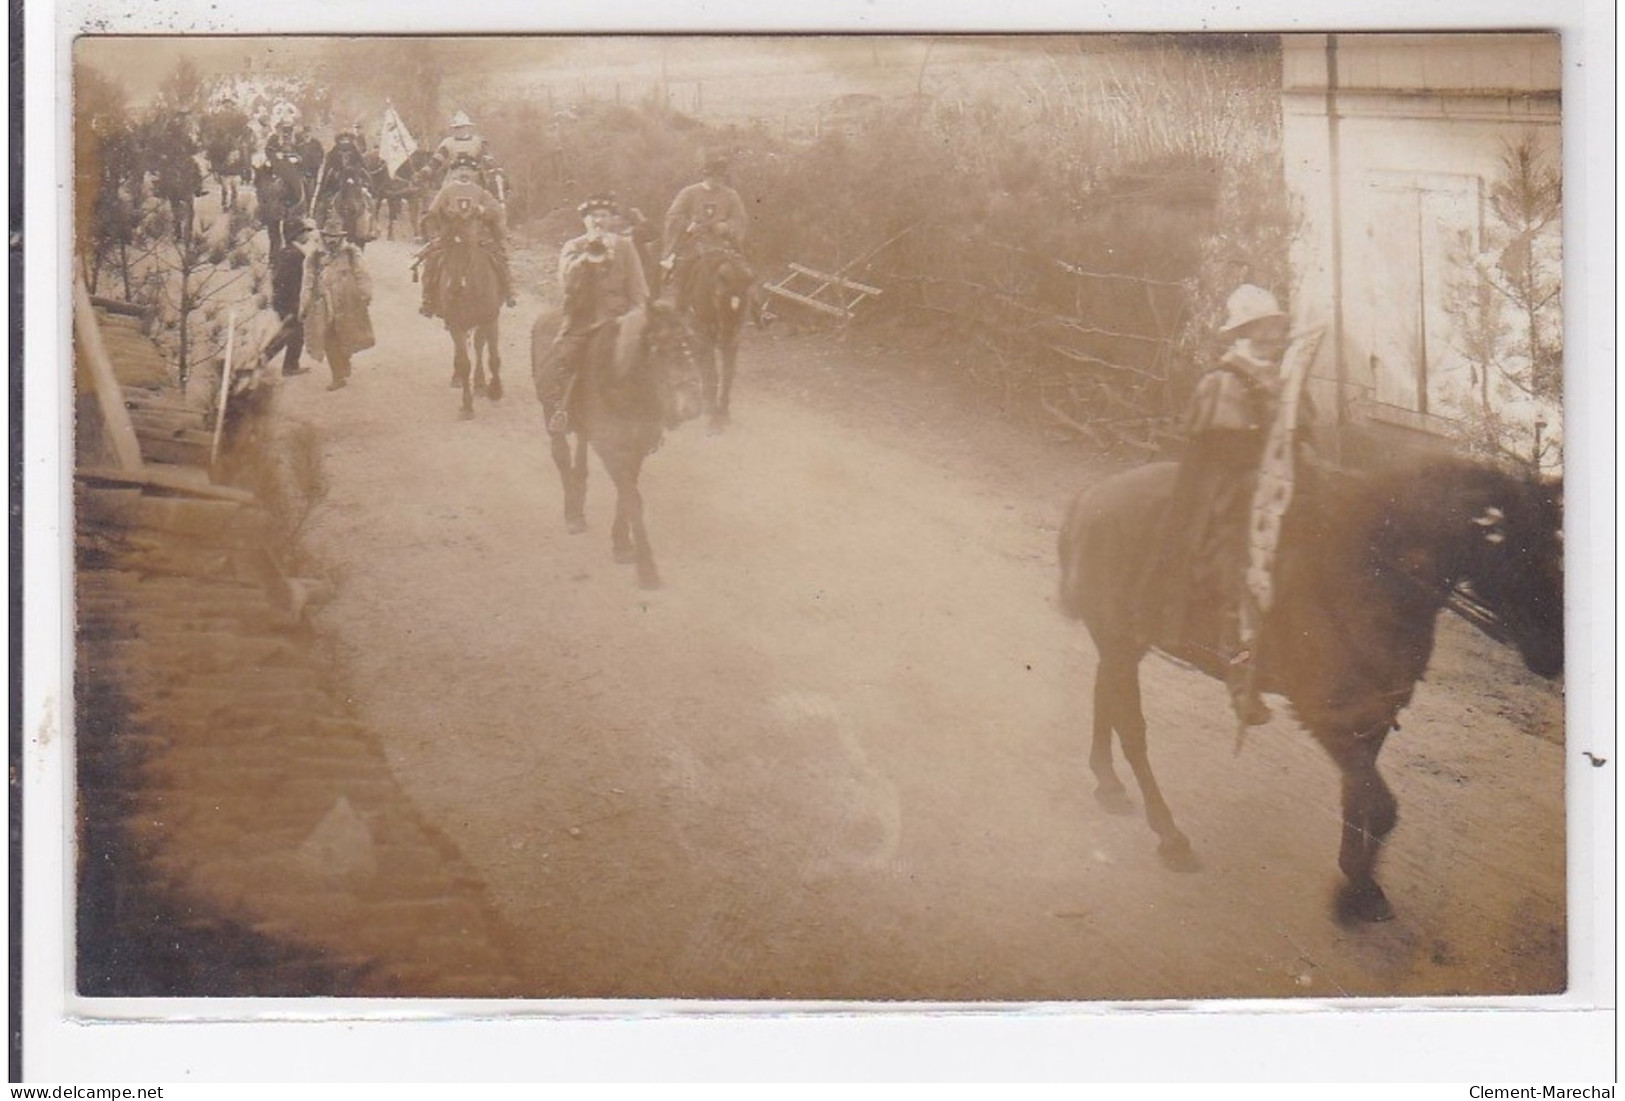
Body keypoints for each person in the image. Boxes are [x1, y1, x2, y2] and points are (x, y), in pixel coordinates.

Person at [1156, 283, 1292, 728]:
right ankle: (1241, 676)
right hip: (1231, 494)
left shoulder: (1283, 377)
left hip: (1279, 488)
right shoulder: (1223, 381)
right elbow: (1221, 452)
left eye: (1275, 330)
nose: (1272, 339)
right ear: (1243, 333)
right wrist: (1264, 476)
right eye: (1262, 331)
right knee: (1242, 570)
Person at [544, 193, 651, 434]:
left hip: (619, 316)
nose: (598, 221)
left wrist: (638, 316)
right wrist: (584, 259)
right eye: (593, 217)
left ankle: (646, 415)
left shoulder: (625, 246)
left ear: (612, 220)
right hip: (584, 316)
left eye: (603, 216)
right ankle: (563, 409)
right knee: (567, 355)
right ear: (585, 221)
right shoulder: (574, 246)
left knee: (646, 354)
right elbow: (566, 284)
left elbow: (637, 286)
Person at [417, 155, 515, 317]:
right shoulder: (446, 191)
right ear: (454, 172)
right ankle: (428, 298)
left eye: (468, 170)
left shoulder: (481, 192)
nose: (464, 173)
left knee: (499, 257)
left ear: (475, 173)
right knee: (432, 260)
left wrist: (483, 212)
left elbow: (496, 210)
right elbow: (433, 212)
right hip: (451, 237)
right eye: (460, 169)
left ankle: (509, 291)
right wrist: (439, 222)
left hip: (477, 237)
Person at [660, 151, 748, 311]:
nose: (717, 181)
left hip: (721, 244)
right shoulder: (689, 192)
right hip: (693, 244)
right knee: (683, 272)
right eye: (713, 177)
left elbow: (740, 218)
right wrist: (688, 225)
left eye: (721, 177)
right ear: (705, 175)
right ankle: (681, 307)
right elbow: (673, 215)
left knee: (742, 273)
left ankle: (755, 312)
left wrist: (726, 226)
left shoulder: (731, 195)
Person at [301, 213, 375, 391]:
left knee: (346, 335)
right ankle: (337, 375)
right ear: (323, 236)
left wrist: (365, 294)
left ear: (342, 237)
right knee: (328, 338)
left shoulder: (351, 252)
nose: (332, 241)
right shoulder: (315, 256)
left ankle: (344, 361)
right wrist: (304, 304)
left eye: (336, 237)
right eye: (328, 237)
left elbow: (362, 274)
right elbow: (308, 280)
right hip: (324, 304)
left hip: (348, 303)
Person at [261, 216, 317, 377]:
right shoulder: (294, 255)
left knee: (292, 332)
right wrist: (293, 302)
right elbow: (284, 280)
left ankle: (272, 359)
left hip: (287, 300)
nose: (307, 235)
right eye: (304, 232)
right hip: (289, 301)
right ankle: (274, 360)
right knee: (293, 332)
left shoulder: (291, 252)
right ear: (296, 235)